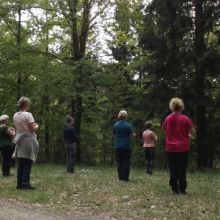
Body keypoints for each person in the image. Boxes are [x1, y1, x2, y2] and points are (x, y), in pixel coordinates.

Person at [162, 98, 195, 195]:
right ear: (181, 107)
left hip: (170, 148)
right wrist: (188, 135)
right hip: (183, 148)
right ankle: (182, 188)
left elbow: (164, 131)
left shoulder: (168, 118)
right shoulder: (186, 118)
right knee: (182, 168)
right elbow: (192, 132)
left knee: (173, 168)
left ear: (171, 106)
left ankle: (174, 188)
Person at [13, 97, 39, 190]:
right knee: (27, 162)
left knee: (21, 163)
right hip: (28, 140)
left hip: (20, 140)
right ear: (25, 104)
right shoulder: (28, 114)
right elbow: (33, 128)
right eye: (28, 104)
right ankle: (26, 183)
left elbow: (15, 128)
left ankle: (19, 184)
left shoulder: (15, 115)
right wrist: (37, 125)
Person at [113, 110, 135, 182]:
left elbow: (114, 133)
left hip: (118, 145)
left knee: (119, 161)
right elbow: (133, 134)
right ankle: (126, 178)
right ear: (126, 116)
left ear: (119, 116)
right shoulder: (128, 125)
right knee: (126, 161)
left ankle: (120, 177)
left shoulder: (115, 125)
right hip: (126, 145)